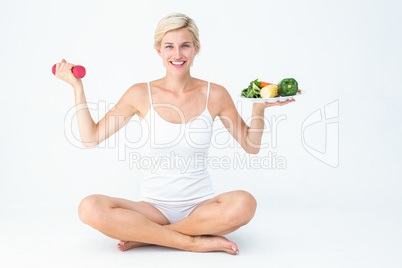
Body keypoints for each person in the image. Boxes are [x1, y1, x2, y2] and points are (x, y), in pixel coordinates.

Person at [54, 12, 294, 255]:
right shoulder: (140, 94)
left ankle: (148, 236)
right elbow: (90, 137)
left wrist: (258, 110)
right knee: (89, 207)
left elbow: (251, 146)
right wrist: (77, 88)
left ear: (195, 49)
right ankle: (190, 241)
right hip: (152, 210)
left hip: (200, 209)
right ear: (159, 50)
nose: (177, 54)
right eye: (169, 46)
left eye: (185, 46)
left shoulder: (216, 94)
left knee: (245, 203)